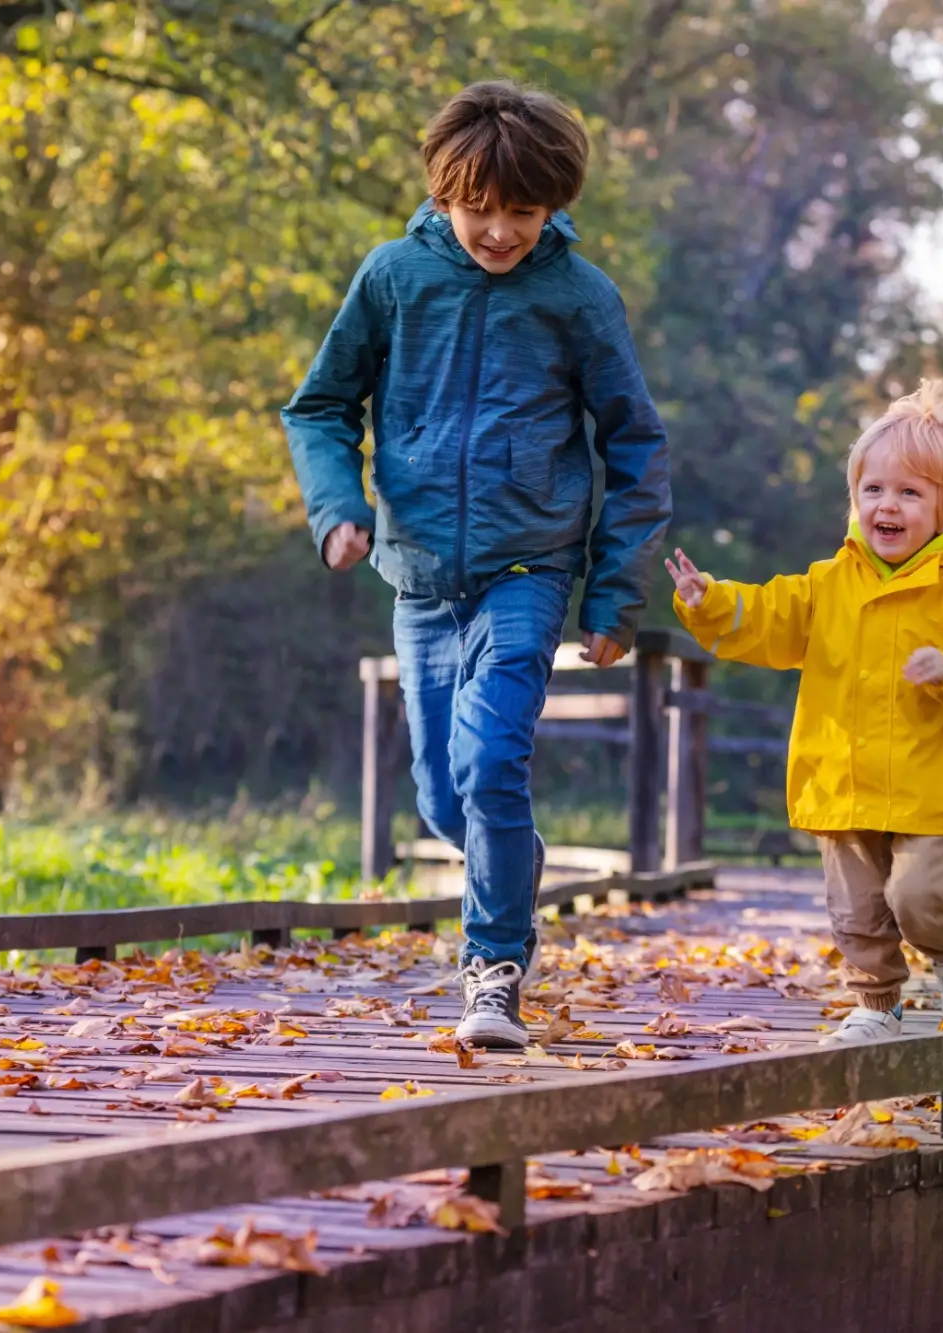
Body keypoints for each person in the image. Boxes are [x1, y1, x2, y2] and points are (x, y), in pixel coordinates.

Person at [282, 82, 671, 1049]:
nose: (498, 231)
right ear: (442, 190)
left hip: (527, 570)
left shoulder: (579, 298)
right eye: (478, 209)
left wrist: (613, 593)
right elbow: (320, 407)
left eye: (523, 213)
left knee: (494, 758)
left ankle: (492, 970)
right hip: (418, 576)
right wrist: (338, 508)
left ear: (554, 207)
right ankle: (512, 860)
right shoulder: (393, 279)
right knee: (442, 795)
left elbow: (636, 446)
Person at [665, 381, 943, 1042]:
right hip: (842, 778)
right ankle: (876, 1003)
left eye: (910, 493)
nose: (887, 505)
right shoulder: (827, 584)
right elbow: (769, 617)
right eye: (874, 490)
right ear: (855, 499)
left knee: (916, 895)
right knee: (858, 910)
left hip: (929, 783)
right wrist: (709, 600)